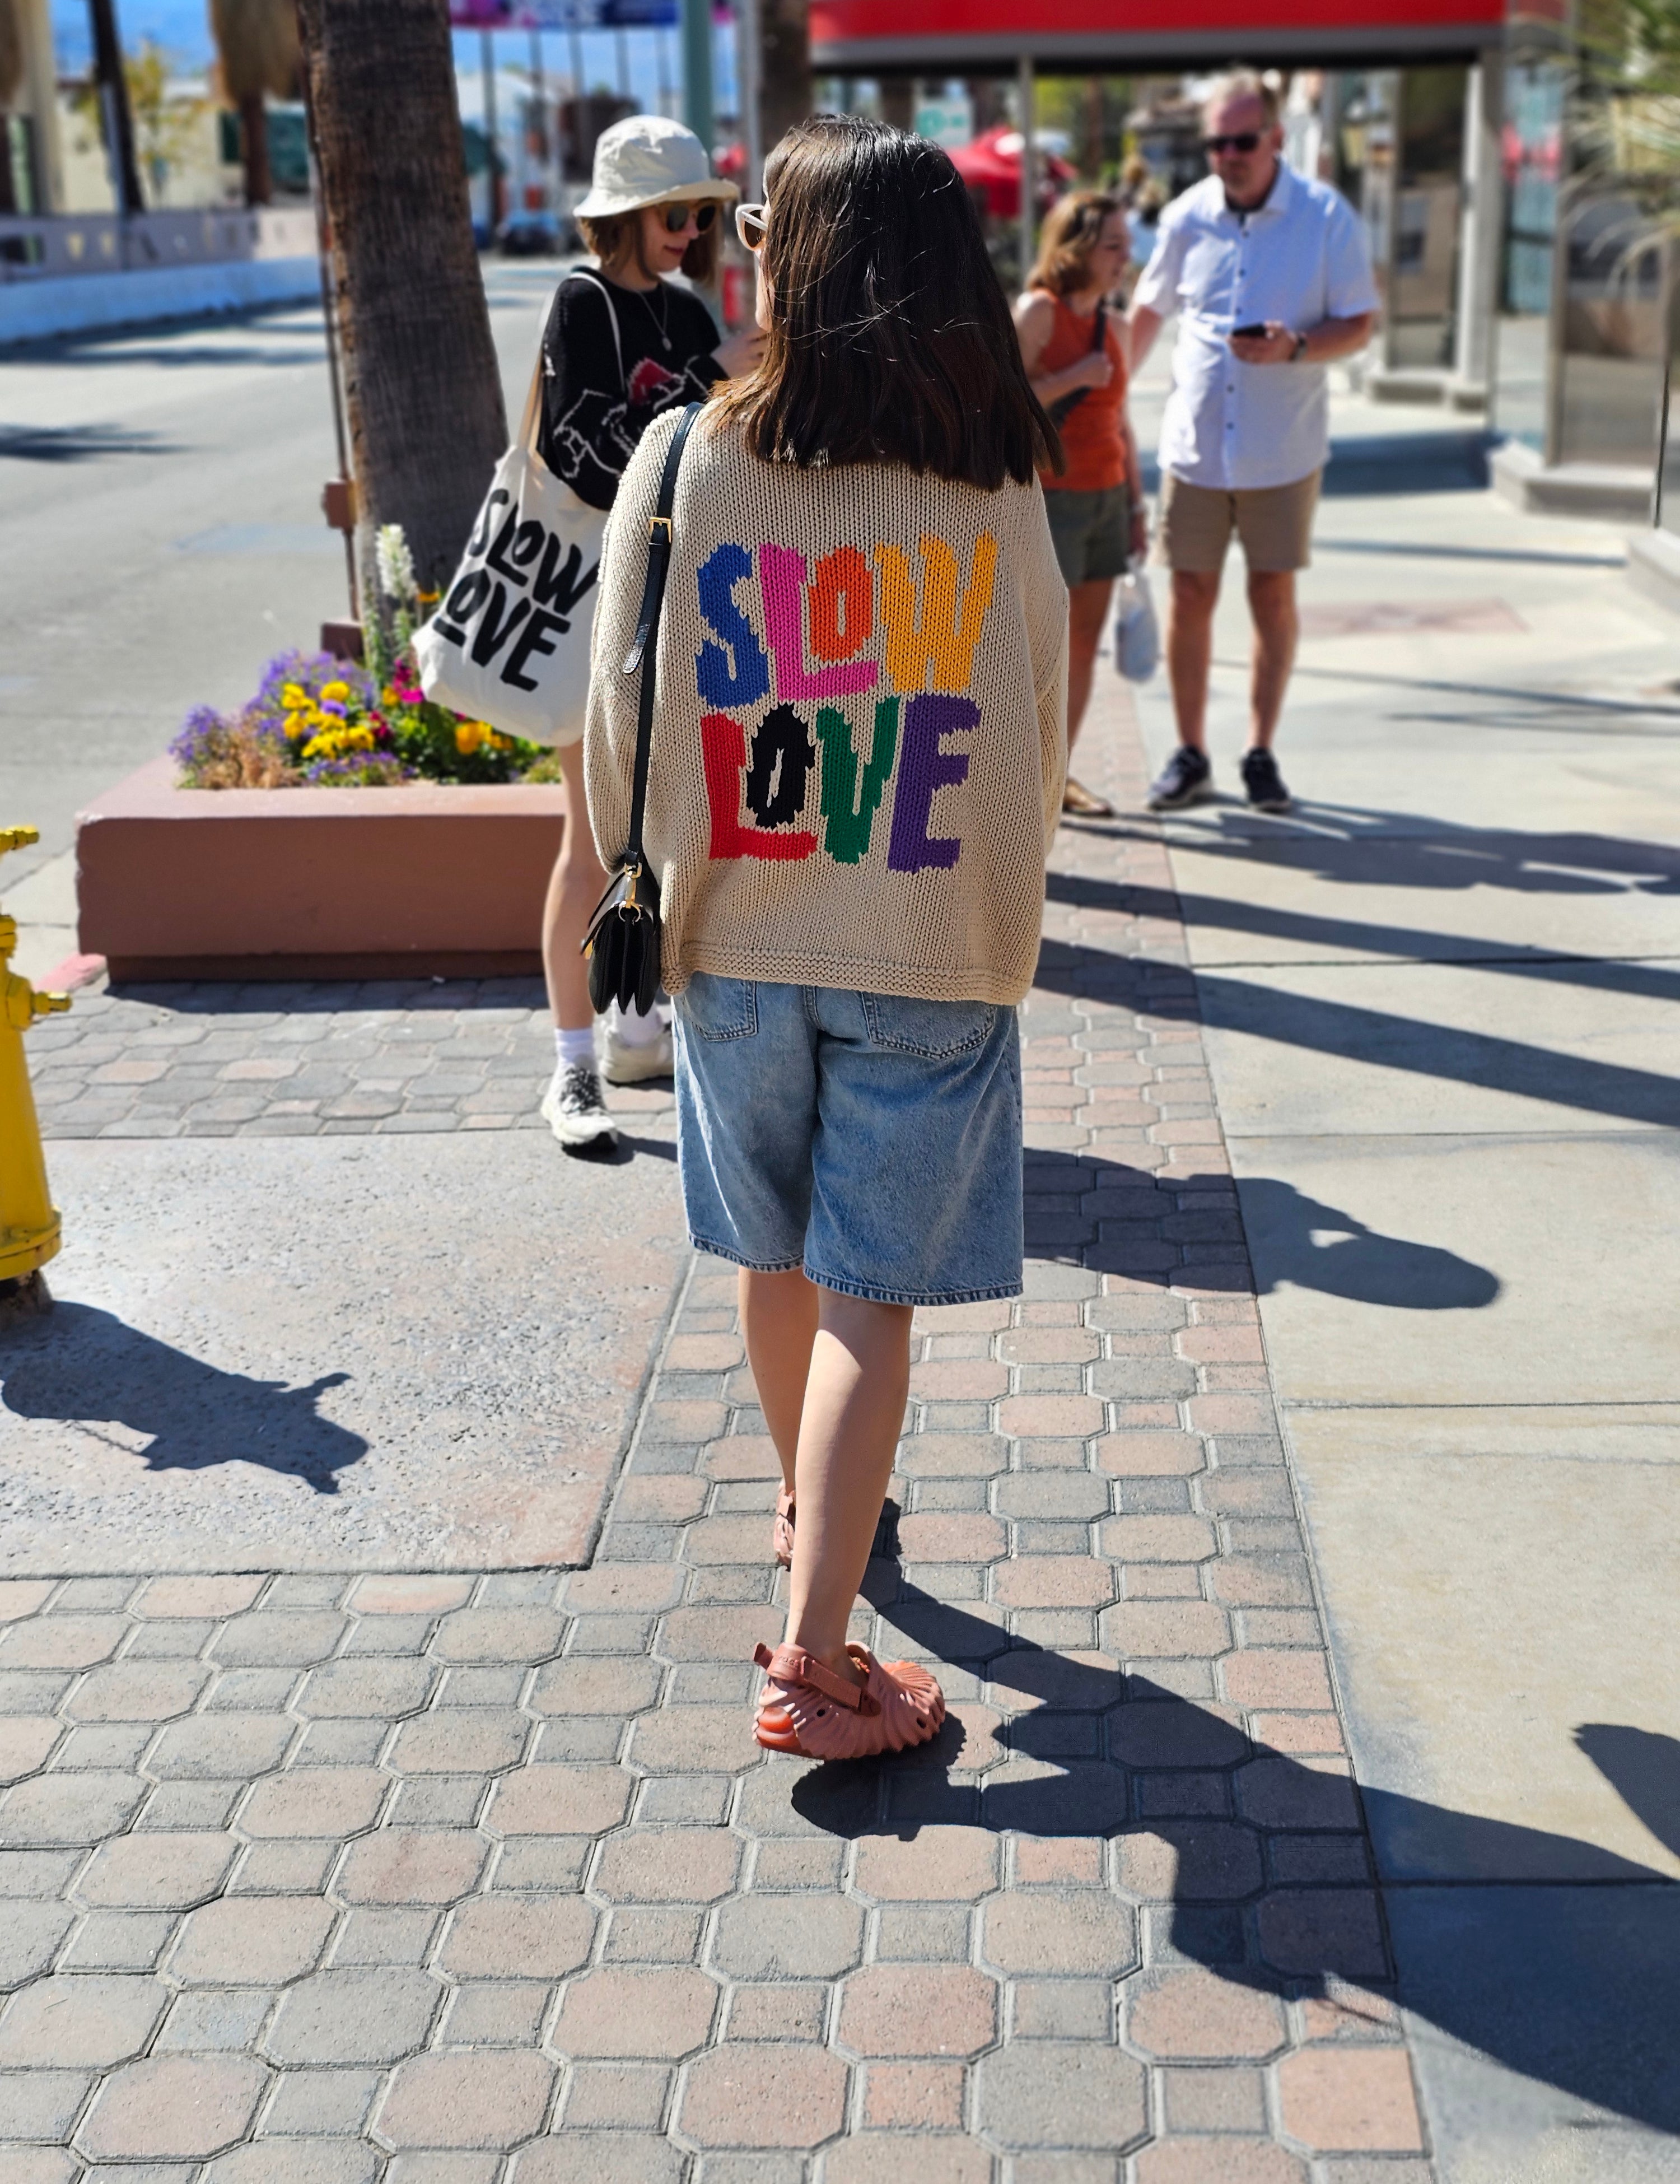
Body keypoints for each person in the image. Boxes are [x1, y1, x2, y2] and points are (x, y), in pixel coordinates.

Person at [586, 114, 1068, 1760]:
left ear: (785, 262)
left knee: (779, 1255)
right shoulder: (991, 474)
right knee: (873, 1291)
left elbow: (621, 702)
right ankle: (810, 1660)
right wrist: (1001, 932)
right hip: (924, 930)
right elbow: (1027, 723)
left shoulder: (688, 456)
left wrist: (648, 884)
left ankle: (809, 1524)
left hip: (733, 929)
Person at [535, 114, 763, 1158]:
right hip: (593, 599)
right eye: (675, 213)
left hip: (674, 607)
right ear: (624, 215)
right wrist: (704, 373)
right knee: (588, 840)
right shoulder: (583, 302)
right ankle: (573, 1068)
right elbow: (585, 452)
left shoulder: (681, 306)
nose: (690, 231)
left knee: (665, 827)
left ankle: (638, 1030)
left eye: (703, 215)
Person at [1126, 70, 1378, 814]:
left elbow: (1360, 321)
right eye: (1215, 143)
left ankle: (1260, 751)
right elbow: (1146, 314)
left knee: (1272, 593)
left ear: (1273, 137)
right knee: (1190, 591)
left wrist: (1297, 344)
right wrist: (1104, 401)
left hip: (1282, 449)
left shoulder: (1325, 216)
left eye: (1242, 141)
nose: (1228, 156)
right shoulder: (1185, 217)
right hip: (1195, 448)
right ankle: (1191, 750)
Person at [1013, 192, 1146, 819]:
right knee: (1042, 647)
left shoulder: (1115, 324)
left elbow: (1121, 419)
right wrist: (1073, 376)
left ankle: (1059, 775)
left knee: (1085, 644)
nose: (1127, 257)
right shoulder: (1040, 312)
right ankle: (1024, 780)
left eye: (1127, 244)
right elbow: (1003, 402)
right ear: (1077, 248)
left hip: (1108, 495)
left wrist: (1140, 504)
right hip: (1053, 497)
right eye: (1114, 245)